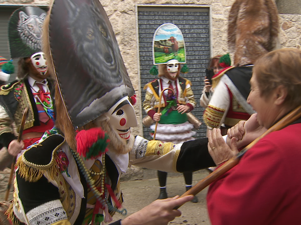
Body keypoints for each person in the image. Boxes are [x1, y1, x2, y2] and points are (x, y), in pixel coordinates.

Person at [7, 1, 230, 224]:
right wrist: (136, 221)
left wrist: (232, 139)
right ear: (92, 119)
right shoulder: (38, 165)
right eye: (118, 113)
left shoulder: (111, 142)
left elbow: (176, 153)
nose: (131, 121)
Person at [206, 48, 301, 225]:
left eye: (254, 88)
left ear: (279, 95)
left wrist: (224, 165)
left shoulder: (276, 148)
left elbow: (227, 216)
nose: (249, 99)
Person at [143, 23, 201, 203]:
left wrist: (189, 107)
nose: (173, 70)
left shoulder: (185, 84)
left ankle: (189, 190)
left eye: (176, 65)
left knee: (186, 156)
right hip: (164, 128)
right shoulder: (153, 86)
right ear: (163, 67)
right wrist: (153, 115)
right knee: (163, 157)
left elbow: (192, 100)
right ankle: (162, 191)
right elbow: (147, 104)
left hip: (182, 126)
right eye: (170, 66)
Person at [203, 0, 279, 135]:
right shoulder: (281, 76)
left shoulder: (228, 78)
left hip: (237, 149)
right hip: (272, 144)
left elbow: (211, 119)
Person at [0, 6, 53, 163]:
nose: (43, 64)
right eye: (38, 59)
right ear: (26, 62)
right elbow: (2, 124)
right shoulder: (10, 91)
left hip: (60, 150)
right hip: (29, 153)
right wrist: (10, 142)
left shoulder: (60, 88)